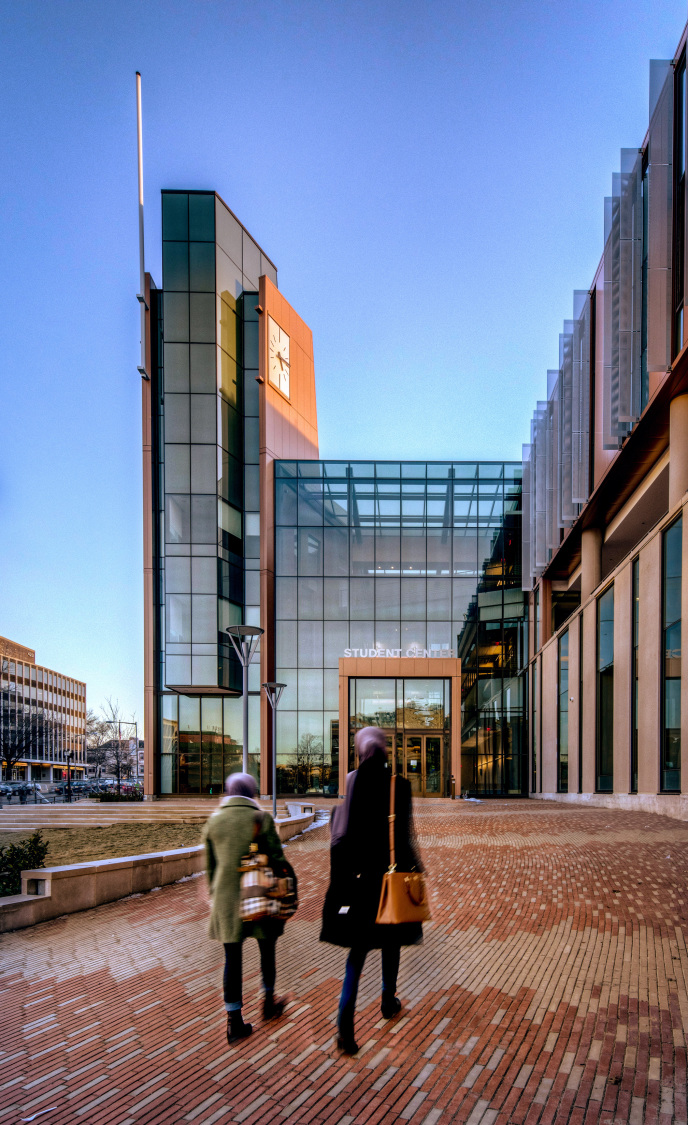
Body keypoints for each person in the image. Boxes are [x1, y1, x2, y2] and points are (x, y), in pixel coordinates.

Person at [320, 726, 424, 1055]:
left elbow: (341, 839)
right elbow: (405, 837)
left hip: (360, 883)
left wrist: (341, 885)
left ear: (360, 750)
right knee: (391, 942)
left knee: (357, 955)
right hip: (390, 881)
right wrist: (416, 872)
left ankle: (345, 1026)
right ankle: (388, 1000)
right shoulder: (399, 786)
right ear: (384, 751)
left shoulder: (351, 783)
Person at [203, 772, 287, 1044]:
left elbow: (211, 868)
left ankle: (234, 1021)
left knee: (232, 959)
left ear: (228, 792)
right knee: (267, 950)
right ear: (252, 793)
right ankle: (268, 1001)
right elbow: (277, 860)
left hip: (227, 900)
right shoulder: (262, 820)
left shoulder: (214, 822)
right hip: (260, 895)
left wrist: (216, 894)